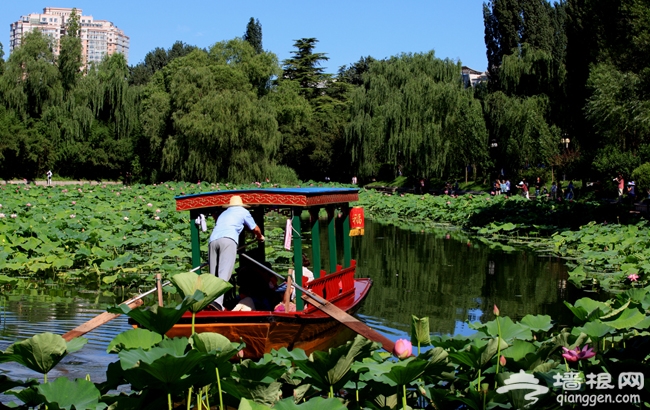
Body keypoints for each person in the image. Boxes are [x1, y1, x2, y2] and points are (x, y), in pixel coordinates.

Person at [208, 195, 265, 310]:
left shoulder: (223, 214)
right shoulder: (243, 211)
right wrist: (260, 237)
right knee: (224, 272)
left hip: (212, 240)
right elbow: (256, 229)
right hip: (228, 240)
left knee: (213, 274)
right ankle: (217, 303)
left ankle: (208, 300)